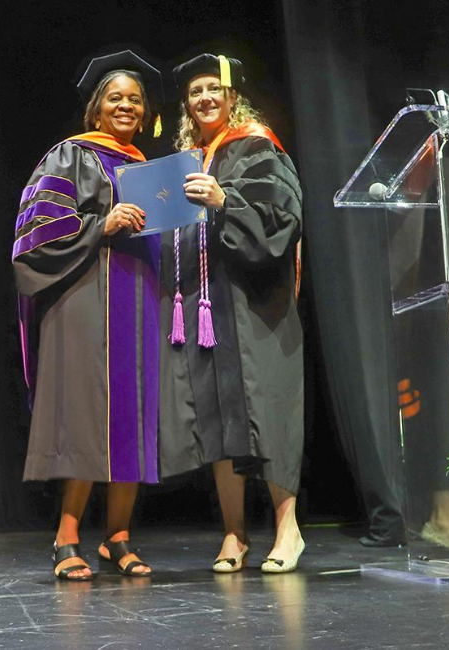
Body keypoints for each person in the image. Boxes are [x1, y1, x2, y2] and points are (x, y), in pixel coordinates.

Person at [12, 50, 163, 580]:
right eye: (116, 98)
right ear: (97, 108)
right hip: (84, 300)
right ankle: (67, 535)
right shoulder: (69, 157)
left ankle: (118, 538)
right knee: (82, 415)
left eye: (135, 99)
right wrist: (102, 223)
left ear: (145, 113)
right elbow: (36, 234)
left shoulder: (151, 170)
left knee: (134, 417)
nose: (126, 106)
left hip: (142, 302)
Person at [160, 54, 305, 573]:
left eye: (213, 89)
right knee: (220, 418)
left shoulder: (257, 147)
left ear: (232, 96)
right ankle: (234, 534)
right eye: (195, 91)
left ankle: (288, 528)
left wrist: (226, 201)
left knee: (268, 412)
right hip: (205, 305)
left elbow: (282, 222)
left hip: (255, 303)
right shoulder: (185, 161)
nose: (204, 99)